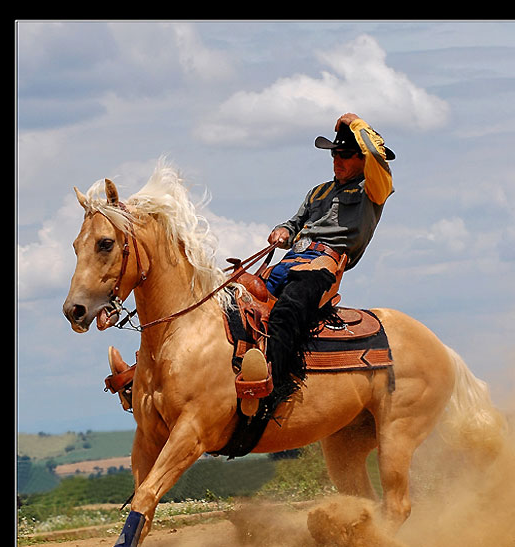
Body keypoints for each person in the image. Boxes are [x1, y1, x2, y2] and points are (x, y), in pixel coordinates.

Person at [107, 113, 394, 416]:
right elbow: (294, 223)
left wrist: (359, 127)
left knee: (287, 312)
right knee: (231, 302)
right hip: (289, 262)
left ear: (363, 159)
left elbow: (379, 161)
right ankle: (149, 375)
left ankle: (275, 388)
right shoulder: (319, 191)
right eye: (335, 153)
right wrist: (284, 231)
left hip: (323, 266)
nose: (337, 159)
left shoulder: (373, 190)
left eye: (346, 155)